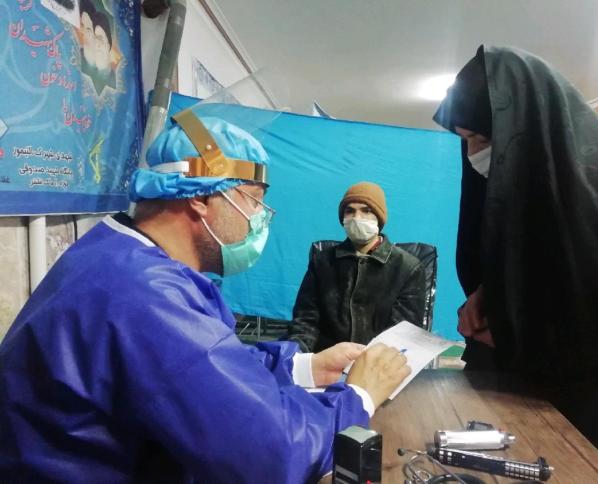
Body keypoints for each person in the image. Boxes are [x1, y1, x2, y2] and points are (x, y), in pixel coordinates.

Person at [0, 105, 411, 483]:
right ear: (200, 196)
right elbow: (270, 457)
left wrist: (305, 367)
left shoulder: (118, 251)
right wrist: (358, 397)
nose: (260, 218)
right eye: (254, 201)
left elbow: (207, 367)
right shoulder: (145, 295)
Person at [433, 45, 598, 481]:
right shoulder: (526, 184)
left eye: (482, 139)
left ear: (524, 129)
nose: (473, 155)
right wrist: (487, 295)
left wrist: (517, 334)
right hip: (526, 402)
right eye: (465, 141)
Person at [288, 181, 426, 352]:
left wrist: (366, 363)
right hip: (327, 359)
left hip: (378, 362)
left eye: (366, 210)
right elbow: (305, 321)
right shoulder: (322, 262)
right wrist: (299, 356)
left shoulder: (407, 268)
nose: (356, 218)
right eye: (350, 211)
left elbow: (403, 335)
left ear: (379, 217)